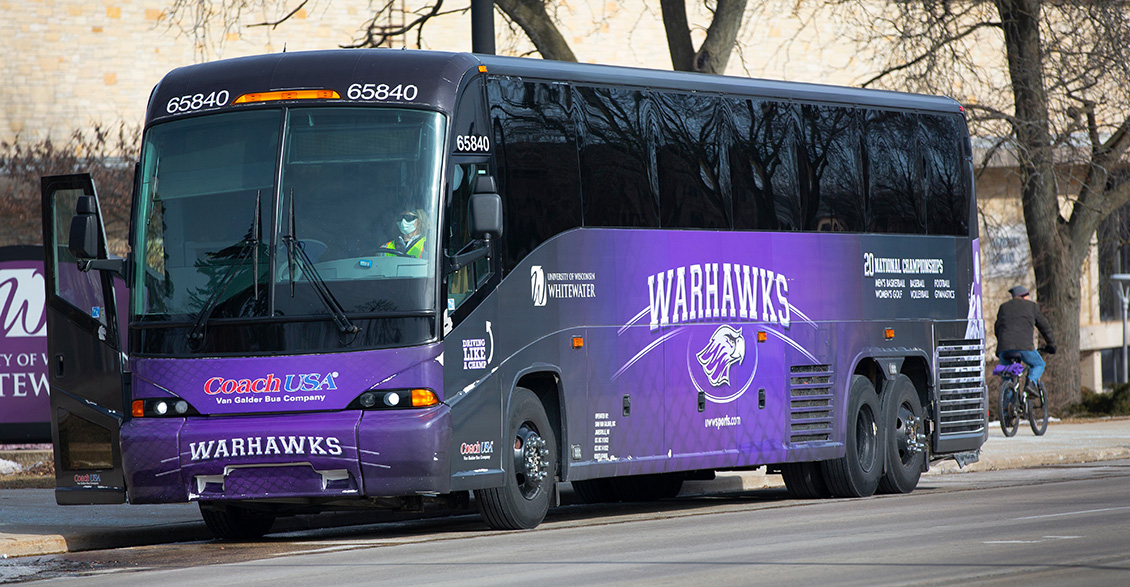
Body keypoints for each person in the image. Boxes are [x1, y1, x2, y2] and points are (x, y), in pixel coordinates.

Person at [994, 285, 1056, 390]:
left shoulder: (1003, 307)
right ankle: (1030, 384)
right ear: (1024, 296)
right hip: (1024, 347)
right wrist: (1051, 345)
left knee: (1007, 377)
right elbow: (1044, 327)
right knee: (1039, 364)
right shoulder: (1031, 306)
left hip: (1004, 349)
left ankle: (1006, 404)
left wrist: (1003, 346)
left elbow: (997, 328)